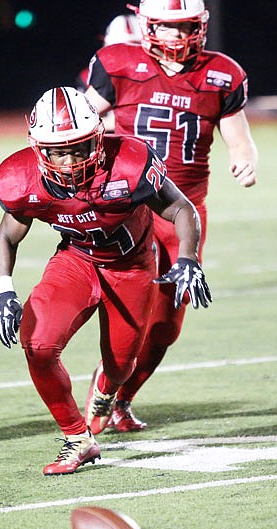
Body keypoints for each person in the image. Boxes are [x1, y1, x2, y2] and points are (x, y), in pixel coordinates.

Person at [0, 86, 211, 475]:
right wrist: (3, 289)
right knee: (37, 343)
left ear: (97, 137)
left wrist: (188, 258)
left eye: (78, 147)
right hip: (75, 262)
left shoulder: (129, 161)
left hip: (132, 269)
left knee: (121, 365)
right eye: (57, 149)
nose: (69, 159)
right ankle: (77, 439)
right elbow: (6, 235)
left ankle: (108, 393)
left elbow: (181, 208)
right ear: (37, 147)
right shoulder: (21, 177)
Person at [84, 0, 257, 433]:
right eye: (167, 27)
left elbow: (238, 135)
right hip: (126, 209)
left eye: (185, 27)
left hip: (184, 214)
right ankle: (103, 384)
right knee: (125, 311)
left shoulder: (221, 73)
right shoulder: (118, 63)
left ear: (200, 26)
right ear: (147, 26)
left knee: (165, 326)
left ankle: (121, 397)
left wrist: (245, 155)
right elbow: (80, 121)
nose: (177, 37)